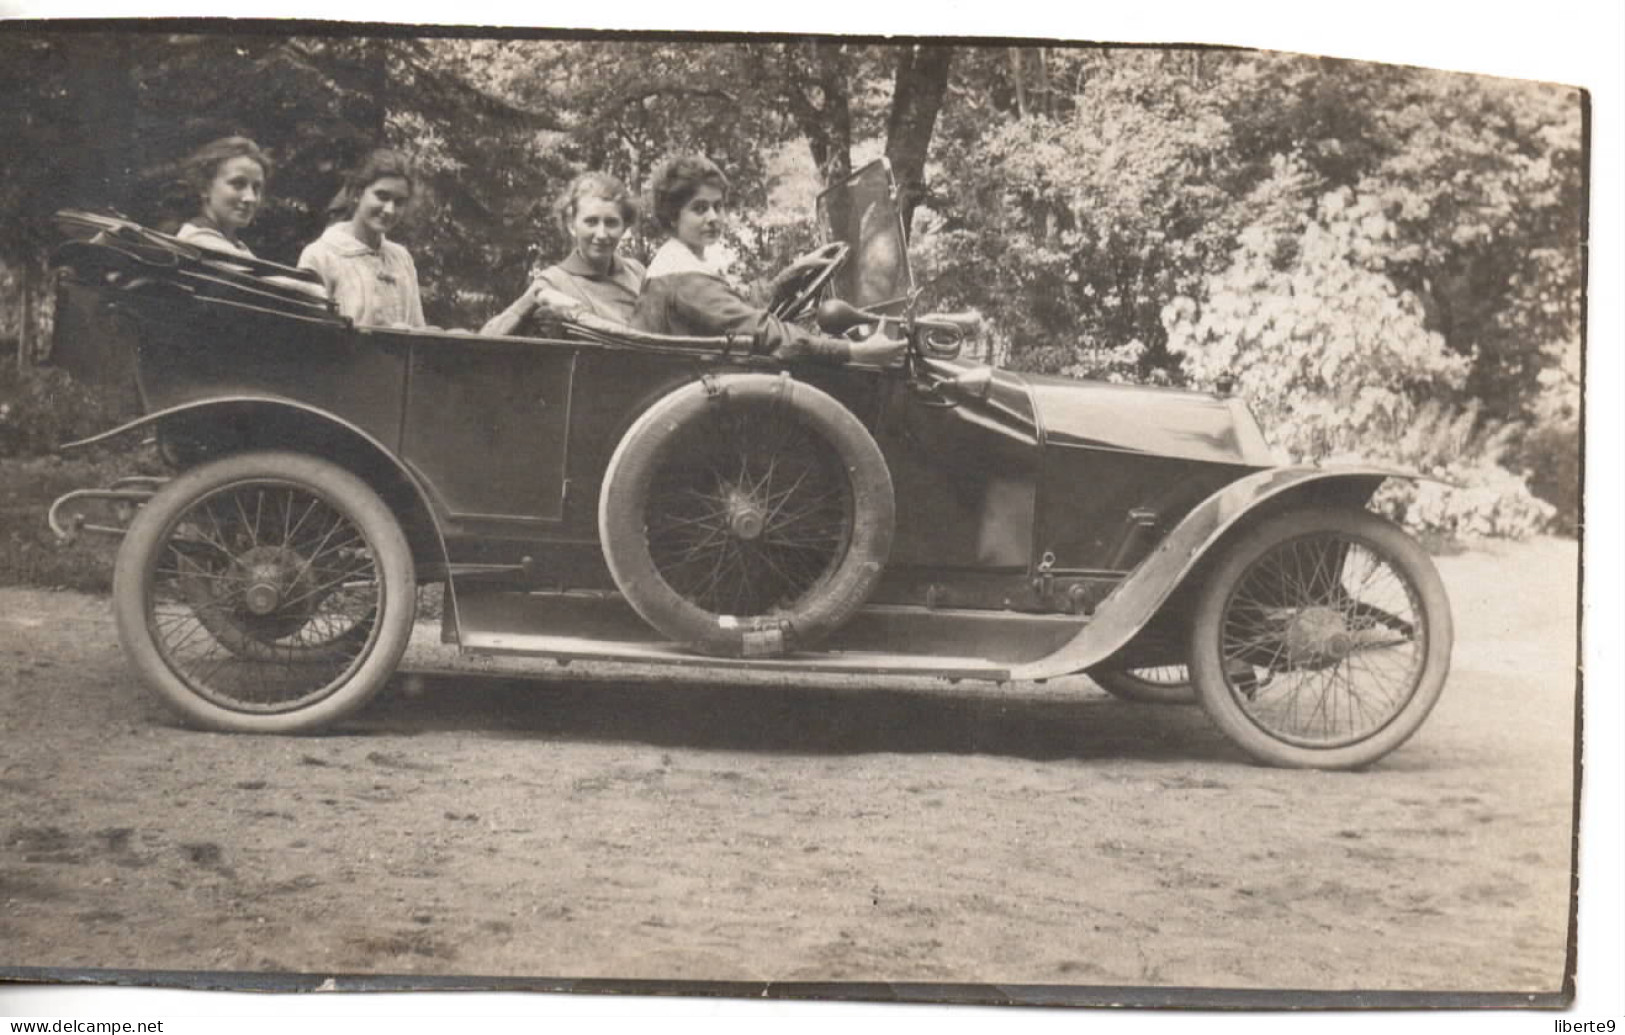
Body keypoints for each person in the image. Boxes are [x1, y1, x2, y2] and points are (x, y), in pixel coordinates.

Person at [633, 155, 905, 367]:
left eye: (718, 206)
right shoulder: (684, 277)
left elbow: (737, 312)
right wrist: (853, 351)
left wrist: (793, 274)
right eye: (700, 208)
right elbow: (761, 331)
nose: (714, 217)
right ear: (672, 216)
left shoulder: (679, 264)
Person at [482, 172, 645, 336]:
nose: (602, 234)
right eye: (591, 222)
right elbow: (487, 339)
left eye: (611, 223)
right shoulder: (554, 281)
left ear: (624, 227)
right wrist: (534, 299)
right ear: (571, 225)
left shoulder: (636, 272)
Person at [298, 149, 426, 328]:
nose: (389, 209)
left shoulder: (402, 259)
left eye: (399, 202)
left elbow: (418, 330)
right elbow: (307, 334)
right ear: (357, 193)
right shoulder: (321, 255)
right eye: (382, 196)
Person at [176, 137, 270, 257]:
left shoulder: (236, 246)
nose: (250, 198)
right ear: (204, 187)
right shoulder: (199, 240)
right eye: (238, 184)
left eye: (256, 188)